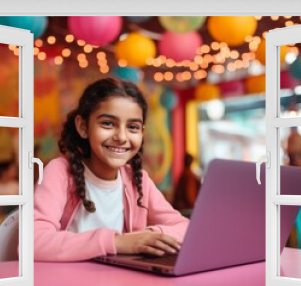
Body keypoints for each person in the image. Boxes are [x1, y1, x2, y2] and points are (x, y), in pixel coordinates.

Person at [34, 78, 189, 262]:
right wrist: (117, 242)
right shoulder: (59, 172)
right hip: (69, 284)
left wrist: (147, 237)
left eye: (132, 127)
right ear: (83, 127)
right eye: (108, 123)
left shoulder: (138, 180)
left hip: (121, 282)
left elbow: (185, 227)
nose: (121, 137)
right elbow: (34, 243)